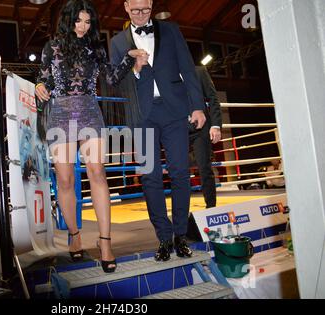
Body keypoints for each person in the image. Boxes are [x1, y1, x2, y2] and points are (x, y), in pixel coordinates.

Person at [35, 0, 147, 273]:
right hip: (60, 112)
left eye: (87, 21)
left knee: (97, 172)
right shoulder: (52, 46)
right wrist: (39, 84)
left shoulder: (95, 47)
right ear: (69, 20)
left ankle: (105, 242)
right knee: (64, 178)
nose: (83, 26)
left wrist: (131, 61)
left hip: (89, 111)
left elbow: (110, 77)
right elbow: (44, 77)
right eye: (78, 21)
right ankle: (74, 235)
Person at [111, 0, 206, 261]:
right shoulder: (118, 42)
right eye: (135, 11)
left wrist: (198, 106)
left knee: (180, 173)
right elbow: (114, 84)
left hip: (175, 111)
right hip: (142, 116)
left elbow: (188, 68)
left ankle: (180, 235)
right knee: (150, 177)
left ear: (151, 5)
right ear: (126, 7)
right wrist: (136, 70)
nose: (141, 16)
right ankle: (163, 239)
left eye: (146, 10)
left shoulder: (171, 30)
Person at [190, 66, 222, 208]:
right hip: (176, 127)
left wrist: (216, 125)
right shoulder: (166, 72)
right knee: (177, 169)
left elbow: (213, 98)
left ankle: (211, 208)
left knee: (204, 167)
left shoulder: (198, 71)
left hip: (201, 127)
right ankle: (181, 215)